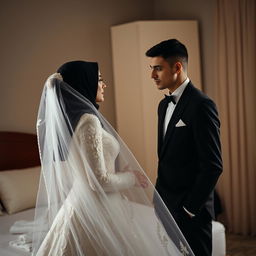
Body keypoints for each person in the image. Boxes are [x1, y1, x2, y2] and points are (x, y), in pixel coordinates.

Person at [33, 60, 195, 255]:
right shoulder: (88, 120)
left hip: (85, 202)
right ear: (83, 82)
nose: (104, 84)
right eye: (99, 79)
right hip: (97, 207)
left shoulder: (73, 121)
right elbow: (99, 181)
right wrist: (132, 178)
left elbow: (92, 172)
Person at [145, 39, 223, 256]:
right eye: (151, 69)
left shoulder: (202, 105)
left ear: (177, 67)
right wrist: (159, 202)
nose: (152, 75)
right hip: (166, 207)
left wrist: (189, 209)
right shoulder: (163, 106)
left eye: (158, 68)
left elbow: (213, 165)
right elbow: (167, 158)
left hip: (191, 213)